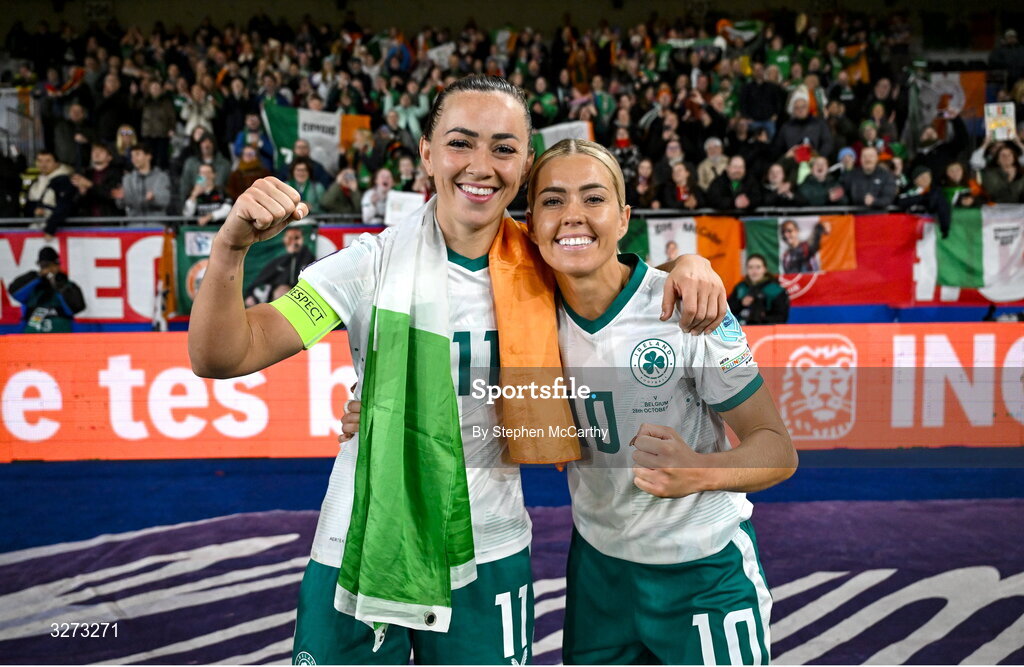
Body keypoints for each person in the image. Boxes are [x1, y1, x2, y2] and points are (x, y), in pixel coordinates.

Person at [189, 75, 728, 666]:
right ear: (426, 152)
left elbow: (624, 283)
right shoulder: (367, 267)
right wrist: (231, 249)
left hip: (489, 549)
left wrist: (693, 263)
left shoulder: (549, 264)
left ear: (524, 165)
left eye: (503, 148)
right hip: (364, 543)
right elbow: (225, 354)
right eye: (460, 142)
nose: (480, 165)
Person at [338, 137, 795, 663]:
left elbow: (777, 449)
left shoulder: (685, 309)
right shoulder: (523, 315)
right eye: (553, 201)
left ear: (624, 218)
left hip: (705, 571)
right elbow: (455, 384)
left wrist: (700, 471)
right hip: (597, 573)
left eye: (593, 198)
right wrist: (378, 412)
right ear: (530, 223)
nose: (573, 215)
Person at [8, 246, 86, 333]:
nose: (48, 269)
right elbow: (14, 291)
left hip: (60, 334)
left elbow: (76, 307)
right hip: (34, 332)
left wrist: (58, 284)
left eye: (50, 265)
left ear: (57, 265)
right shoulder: (33, 284)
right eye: (44, 266)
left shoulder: (67, 285)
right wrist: (37, 276)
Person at [243, 225, 316, 305]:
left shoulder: (309, 258)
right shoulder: (278, 262)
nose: (294, 243)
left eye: (297, 238)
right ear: (284, 240)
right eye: (290, 238)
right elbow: (258, 283)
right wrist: (251, 296)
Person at [24, 151, 76, 239]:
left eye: (48, 161)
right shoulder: (35, 183)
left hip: (56, 232)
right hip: (35, 229)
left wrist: (50, 229)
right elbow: (28, 207)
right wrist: (34, 210)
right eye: (40, 161)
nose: (43, 165)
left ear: (57, 164)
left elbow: (64, 205)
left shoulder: (64, 181)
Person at [728, 254, 790, 325]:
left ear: (765, 269)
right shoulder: (740, 288)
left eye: (758, 267)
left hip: (767, 331)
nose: (754, 271)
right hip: (741, 330)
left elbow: (782, 318)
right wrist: (741, 303)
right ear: (746, 270)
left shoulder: (776, 290)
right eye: (750, 267)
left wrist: (761, 317)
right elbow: (727, 311)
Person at [118, 144, 171, 218]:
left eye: (137, 155)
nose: (134, 159)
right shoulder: (127, 179)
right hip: (134, 223)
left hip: (156, 223)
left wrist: (153, 199)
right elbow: (121, 205)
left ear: (148, 156)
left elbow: (164, 201)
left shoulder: (161, 177)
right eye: (132, 156)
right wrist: (120, 198)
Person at [72, 143, 123, 217]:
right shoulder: (85, 174)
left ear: (110, 157)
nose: (96, 153)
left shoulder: (117, 173)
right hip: (88, 222)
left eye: (101, 151)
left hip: (110, 220)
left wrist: (90, 185)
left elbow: (113, 195)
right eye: (94, 151)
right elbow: (75, 203)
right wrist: (82, 193)